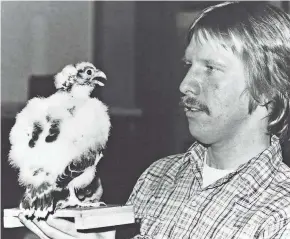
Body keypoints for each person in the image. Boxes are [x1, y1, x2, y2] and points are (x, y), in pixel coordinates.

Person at [19, 1, 290, 238]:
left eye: (210, 68)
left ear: (267, 88)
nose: (185, 85)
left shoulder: (281, 213)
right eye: (189, 66)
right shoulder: (158, 176)